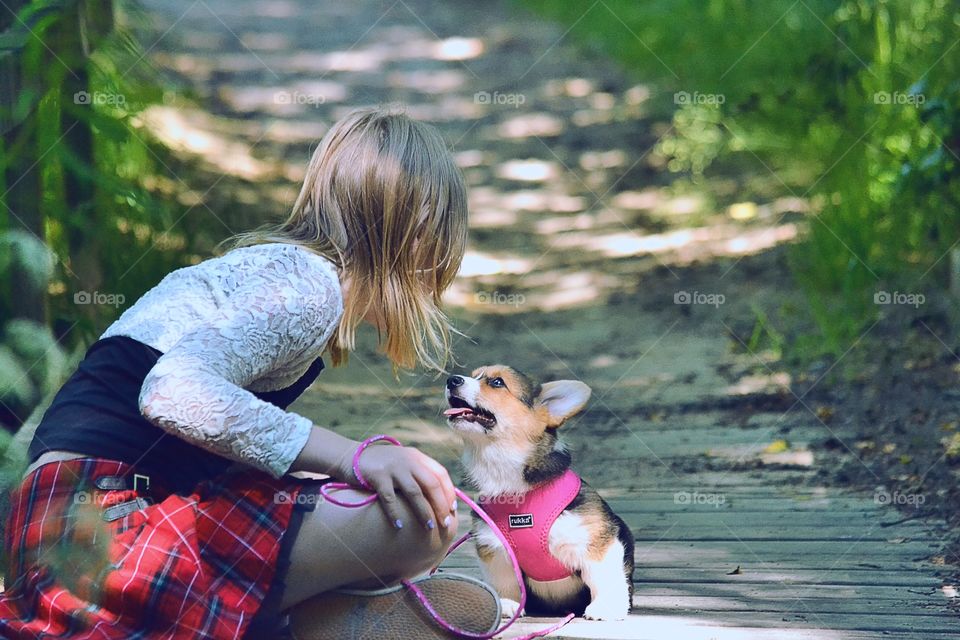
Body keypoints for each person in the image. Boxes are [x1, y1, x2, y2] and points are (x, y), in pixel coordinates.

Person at [0, 107, 502, 639]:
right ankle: (309, 621)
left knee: (399, 499)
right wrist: (351, 457)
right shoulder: (309, 287)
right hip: (101, 532)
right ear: (419, 231)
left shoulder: (281, 273)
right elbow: (171, 392)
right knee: (420, 520)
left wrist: (316, 475)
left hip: (62, 530)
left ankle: (298, 618)